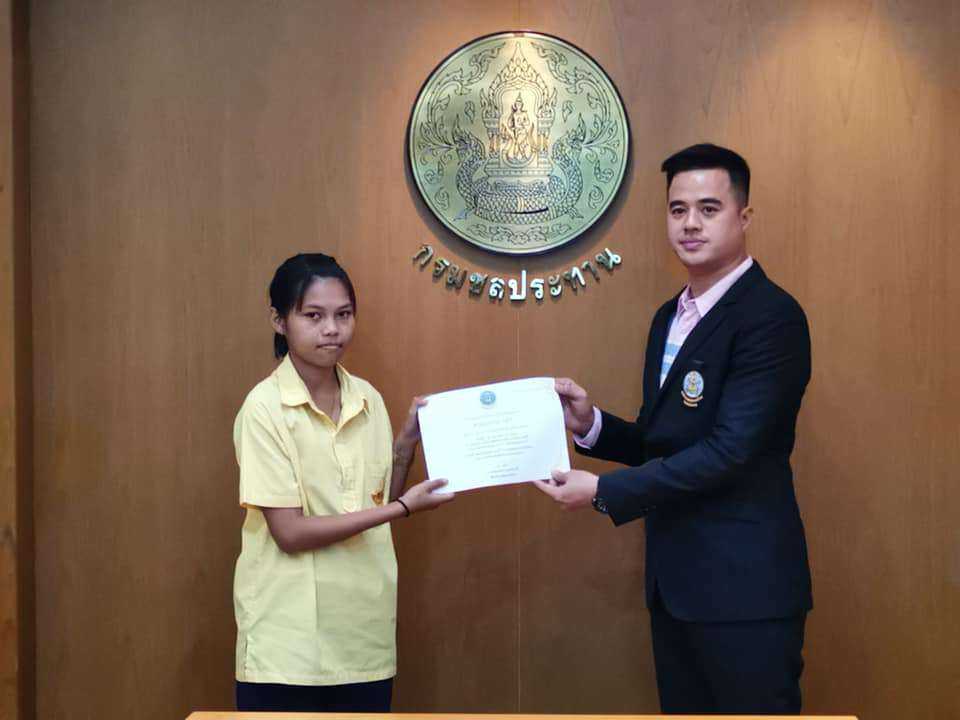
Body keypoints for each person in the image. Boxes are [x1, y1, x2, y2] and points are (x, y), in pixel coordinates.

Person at [537, 144, 813, 714]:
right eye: (678, 209)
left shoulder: (772, 316)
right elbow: (661, 440)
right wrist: (591, 424)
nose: (690, 224)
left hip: (746, 592)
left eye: (709, 209)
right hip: (675, 588)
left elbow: (730, 451)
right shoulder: (671, 316)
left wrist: (604, 492)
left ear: (744, 216)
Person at [232, 253, 454, 712]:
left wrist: (405, 444)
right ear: (279, 321)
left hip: (364, 640)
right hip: (288, 647)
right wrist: (402, 509)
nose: (332, 329)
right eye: (313, 316)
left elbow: (377, 502)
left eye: (344, 314)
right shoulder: (263, 408)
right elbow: (289, 533)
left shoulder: (367, 398)